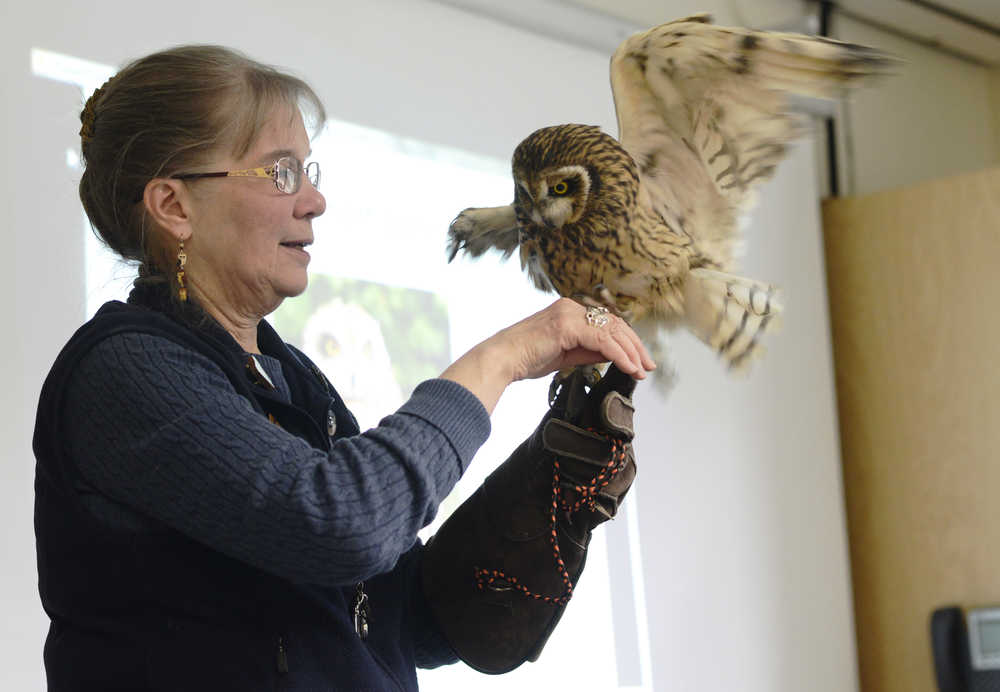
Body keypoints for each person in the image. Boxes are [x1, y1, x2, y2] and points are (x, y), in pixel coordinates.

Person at [33, 45, 655, 691]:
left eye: (310, 171)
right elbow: (338, 526)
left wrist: (546, 487)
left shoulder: (293, 378)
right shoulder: (126, 368)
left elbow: (405, 617)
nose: (315, 200)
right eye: (280, 174)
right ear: (174, 206)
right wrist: (501, 357)